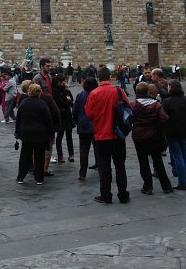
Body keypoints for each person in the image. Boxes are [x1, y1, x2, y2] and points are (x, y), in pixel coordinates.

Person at [85, 66, 131, 204]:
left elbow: (89, 114)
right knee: (120, 165)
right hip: (117, 135)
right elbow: (128, 108)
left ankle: (106, 195)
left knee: (104, 167)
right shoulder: (119, 91)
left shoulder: (94, 93)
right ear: (110, 77)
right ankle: (123, 194)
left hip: (101, 135)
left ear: (98, 78)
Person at [131, 81, 173, 195]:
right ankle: (166, 186)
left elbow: (129, 118)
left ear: (136, 92)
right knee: (158, 160)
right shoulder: (156, 104)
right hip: (153, 135)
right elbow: (164, 118)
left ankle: (148, 186)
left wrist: (135, 125)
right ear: (147, 91)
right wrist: (156, 125)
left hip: (139, 136)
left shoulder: (133, 105)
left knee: (143, 160)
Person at [15, 83, 54, 185]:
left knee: (24, 156)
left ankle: (21, 177)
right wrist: (51, 135)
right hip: (40, 134)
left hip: (26, 133)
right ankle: (39, 178)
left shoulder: (23, 103)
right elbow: (48, 121)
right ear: (39, 92)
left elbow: (18, 119)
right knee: (39, 156)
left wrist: (17, 132)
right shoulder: (42, 104)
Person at [161, 80, 186, 190]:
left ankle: (182, 182)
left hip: (172, 131)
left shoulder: (167, 102)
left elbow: (163, 117)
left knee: (178, 156)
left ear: (171, 88)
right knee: (184, 156)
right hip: (185, 130)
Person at [72, 77, 97, 181]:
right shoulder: (97, 95)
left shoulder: (80, 95)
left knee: (84, 151)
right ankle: (101, 166)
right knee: (98, 148)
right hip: (96, 125)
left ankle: (82, 173)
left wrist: (77, 121)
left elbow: (75, 111)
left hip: (83, 125)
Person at [52, 75, 75, 163]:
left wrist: (68, 100)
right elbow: (61, 103)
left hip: (68, 116)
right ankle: (60, 155)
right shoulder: (55, 91)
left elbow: (71, 101)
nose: (66, 82)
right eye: (64, 81)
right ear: (60, 82)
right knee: (60, 136)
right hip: (60, 116)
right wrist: (67, 100)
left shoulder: (66, 90)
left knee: (69, 136)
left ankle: (71, 154)